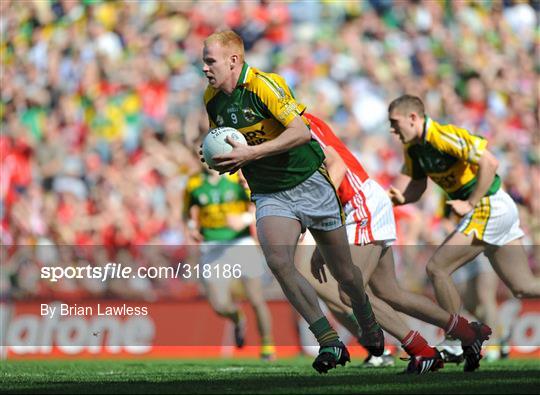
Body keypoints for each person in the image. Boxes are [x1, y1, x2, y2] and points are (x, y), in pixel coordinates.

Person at [201, 30, 383, 373]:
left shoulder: (265, 85)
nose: (205, 68)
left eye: (210, 61)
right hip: (271, 193)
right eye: (204, 61)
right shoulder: (212, 99)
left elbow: (300, 131)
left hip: (311, 182)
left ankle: (367, 319)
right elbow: (226, 142)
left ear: (233, 60)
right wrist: (217, 158)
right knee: (279, 261)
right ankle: (329, 340)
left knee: (345, 275)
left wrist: (251, 152)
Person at [300, 113, 498, 373]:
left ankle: (423, 351)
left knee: (349, 293)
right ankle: (467, 332)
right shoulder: (297, 120)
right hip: (362, 201)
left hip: (359, 204)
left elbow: (335, 171)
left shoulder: (293, 124)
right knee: (390, 293)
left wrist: (320, 233)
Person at [387, 94, 540, 370]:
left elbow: (490, 163)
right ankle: (461, 337)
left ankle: (457, 339)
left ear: (413, 118)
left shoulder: (443, 135)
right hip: (493, 208)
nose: (392, 129)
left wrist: (470, 202)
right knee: (523, 286)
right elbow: (419, 187)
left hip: (488, 205)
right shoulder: (413, 150)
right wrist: (402, 198)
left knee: (437, 268)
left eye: (395, 122)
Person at [184, 168, 275, 360]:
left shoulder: (237, 177)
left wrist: (243, 219)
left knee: (256, 298)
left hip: (240, 243)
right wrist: (192, 227)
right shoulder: (193, 183)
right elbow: (188, 211)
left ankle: (267, 345)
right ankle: (237, 317)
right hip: (212, 247)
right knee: (219, 305)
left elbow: (261, 202)